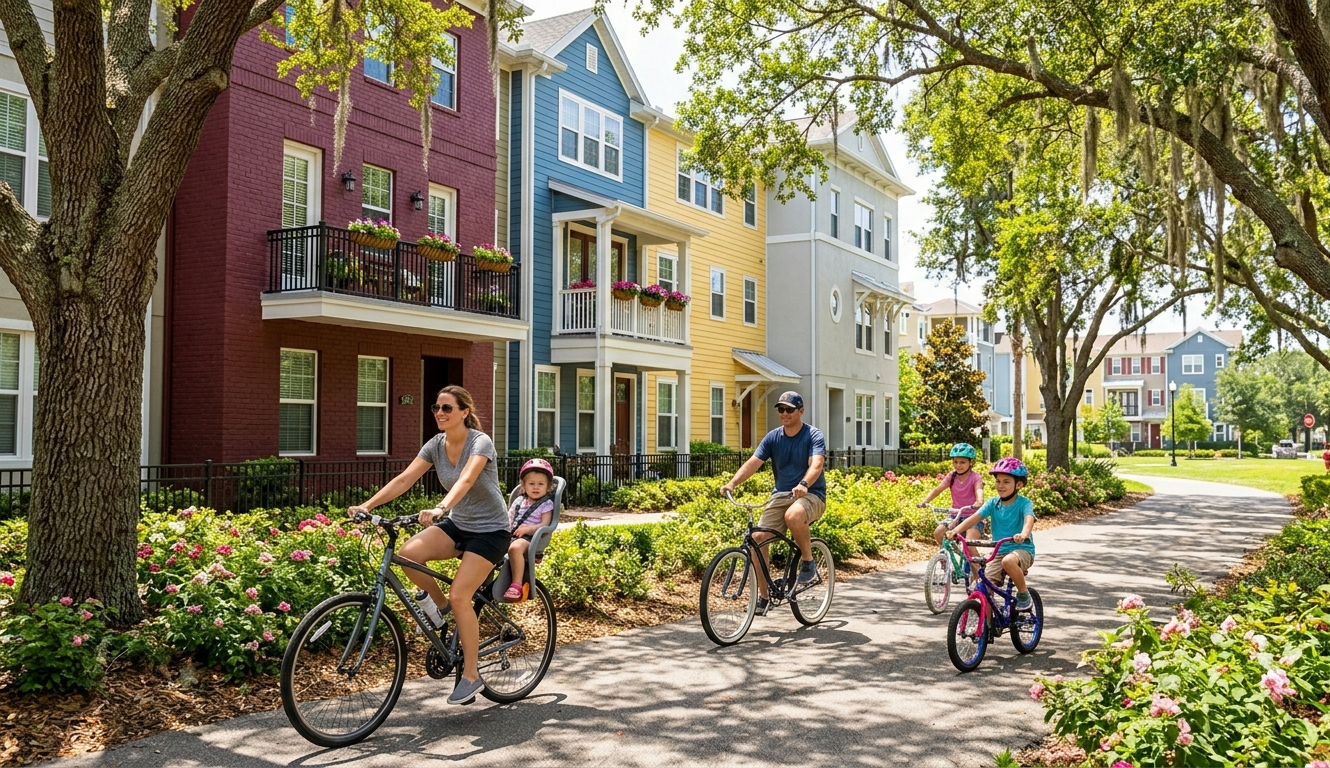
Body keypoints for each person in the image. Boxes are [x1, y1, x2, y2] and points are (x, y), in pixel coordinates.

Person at [347, 385, 509, 706]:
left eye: (447, 408)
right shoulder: (436, 445)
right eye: (436, 407)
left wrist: (440, 508)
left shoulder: (480, 442)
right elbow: (404, 479)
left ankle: (472, 676)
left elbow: (465, 479)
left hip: (490, 531)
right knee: (409, 554)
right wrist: (367, 506)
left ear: (464, 412)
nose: (439, 413)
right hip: (460, 525)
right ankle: (442, 610)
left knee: (461, 593)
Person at [719, 391, 826, 616]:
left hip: (811, 494)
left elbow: (816, 465)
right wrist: (732, 483)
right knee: (757, 539)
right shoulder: (773, 437)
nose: (784, 413)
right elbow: (753, 462)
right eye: (781, 409)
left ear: (801, 411)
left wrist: (804, 483)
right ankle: (765, 597)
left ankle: (808, 561)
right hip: (780, 496)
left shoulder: (812, 435)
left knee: (794, 516)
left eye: (789, 409)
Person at [948, 457, 1036, 610]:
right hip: (999, 551)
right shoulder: (992, 503)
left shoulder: (1024, 503)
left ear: (1019, 484)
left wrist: (1023, 534)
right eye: (998, 481)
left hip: (1022, 550)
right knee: (985, 588)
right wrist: (956, 530)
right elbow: (974, 518)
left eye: (1006, 482)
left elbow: (1029, 520)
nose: (1000, 486)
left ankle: (1023, 594)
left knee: (1008, 561)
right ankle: (986, 629)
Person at [503, 459, 556, 601]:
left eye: (541, 484)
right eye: (531, 484)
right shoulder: (519, 501)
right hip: (513, 534)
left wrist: (529, 529)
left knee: (515, 548)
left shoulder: (546, 504)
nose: (536, 487)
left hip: (530, 539)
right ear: (524, 485)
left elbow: (545, 525)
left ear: (548, 486)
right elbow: (509, 519)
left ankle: (516, 585)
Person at [919, 443, 986, 547]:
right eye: (955, 462)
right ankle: (948, 557)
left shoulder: (975, 477)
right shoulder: (952, 476)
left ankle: (976, 564)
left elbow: (979, 489)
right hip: (955, 516)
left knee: (969, 543)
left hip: (973, 517)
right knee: (938, 533)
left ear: (971, 462)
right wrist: (925, 501)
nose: (958, 465)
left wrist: (979, 501)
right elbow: (938, 489)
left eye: (962, 462)